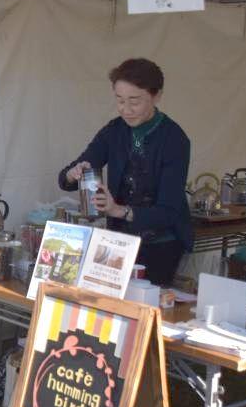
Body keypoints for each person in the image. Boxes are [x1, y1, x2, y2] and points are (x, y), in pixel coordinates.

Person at [58, 58, 192, 285]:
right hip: (118, 238)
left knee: (142, 309)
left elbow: (169, 211)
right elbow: (68, 176)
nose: (126, 110)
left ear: (156, 95)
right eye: (119, 101)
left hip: (160, 244)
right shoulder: (114, 131)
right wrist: (74, 173)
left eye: (134, 101)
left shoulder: (174, 140)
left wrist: (118, 210)